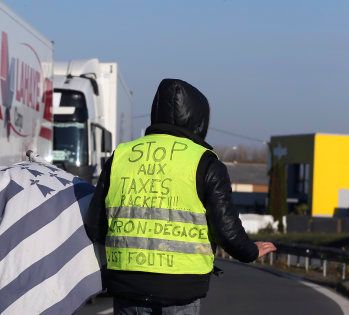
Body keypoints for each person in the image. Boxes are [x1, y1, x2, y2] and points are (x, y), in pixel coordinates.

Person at [85, 78, 277, 315]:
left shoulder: (120, 157)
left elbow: (95, 226)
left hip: (127, 286)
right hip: (180, 290)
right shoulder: (206, 164)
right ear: (199, 119)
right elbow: (226, 230)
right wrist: (251, 251)